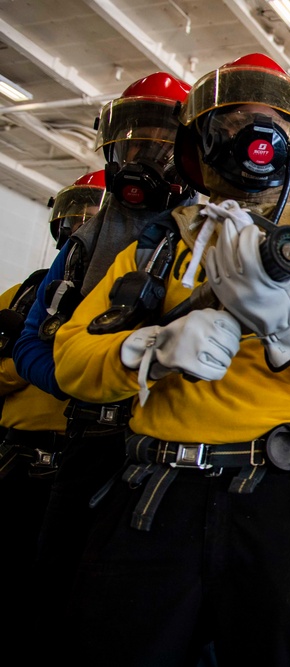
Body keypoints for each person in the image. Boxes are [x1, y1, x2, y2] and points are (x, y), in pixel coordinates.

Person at [51, 53, 290, 667]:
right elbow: (71, 359)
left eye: (276, 129)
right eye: (233, 124)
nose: (255, 143)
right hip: (154, 500)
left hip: (285, 503)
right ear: (199, 146)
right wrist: (149, 350)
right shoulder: (155, 248)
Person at [14, 72, 195, 591]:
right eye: (134, 142)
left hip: (173, 445)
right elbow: (32, 342)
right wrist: (84, 380)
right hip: (91, 438)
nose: (144, 158)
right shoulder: (85, 243)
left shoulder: (209, 233)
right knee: (59, 585)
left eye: (161, 146)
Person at [0, 170, 106, 653]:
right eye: (73, 210)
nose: (79, 222)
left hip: (93, 457)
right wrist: (29, 354)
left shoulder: (124, 284)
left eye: (92, 211)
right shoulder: (25, 293)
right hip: (17, 462)